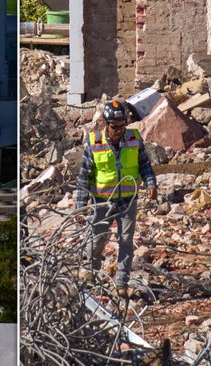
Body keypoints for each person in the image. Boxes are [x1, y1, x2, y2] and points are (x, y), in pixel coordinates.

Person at [75, 99, 157, 298]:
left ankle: (121, 282)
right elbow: (85, 175)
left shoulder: (134, 139)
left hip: (127, 200)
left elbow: (145, 165)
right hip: (101, 201)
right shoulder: (94, 143)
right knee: (96, 240)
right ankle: (88, 275)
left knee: (126, 241)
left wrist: (151, 184)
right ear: (106, 123)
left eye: (122, 126)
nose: (119, 130)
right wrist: (80, 204)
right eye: (115, 127)